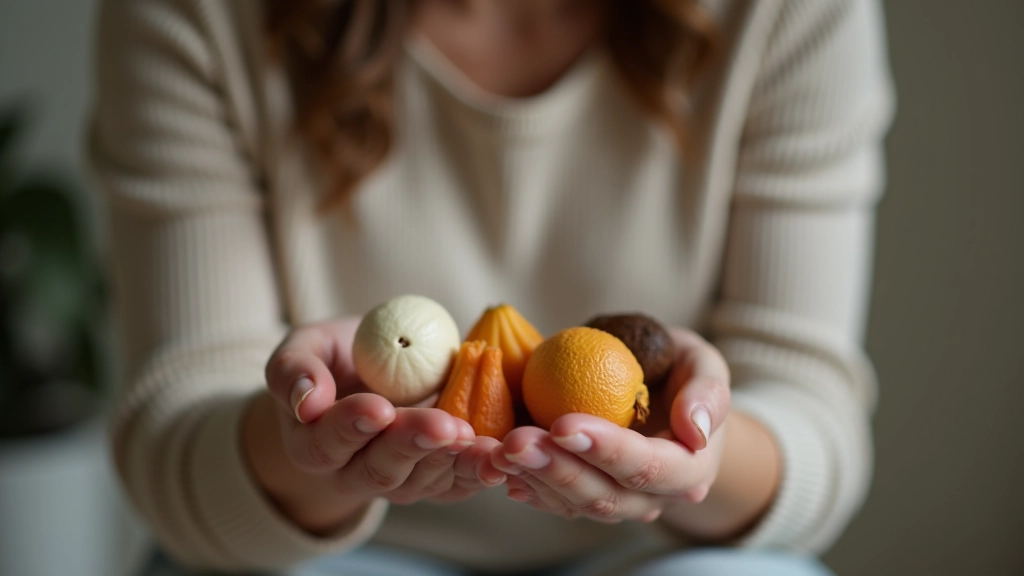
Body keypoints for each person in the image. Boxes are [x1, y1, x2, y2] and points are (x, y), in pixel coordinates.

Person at [90, 0, 894, 574]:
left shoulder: (786, 13)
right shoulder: (199, 14)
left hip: (656, 551)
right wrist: (310, 451)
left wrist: (696, 452)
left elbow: (814, 419)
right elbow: (170, 440)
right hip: (345, 553)